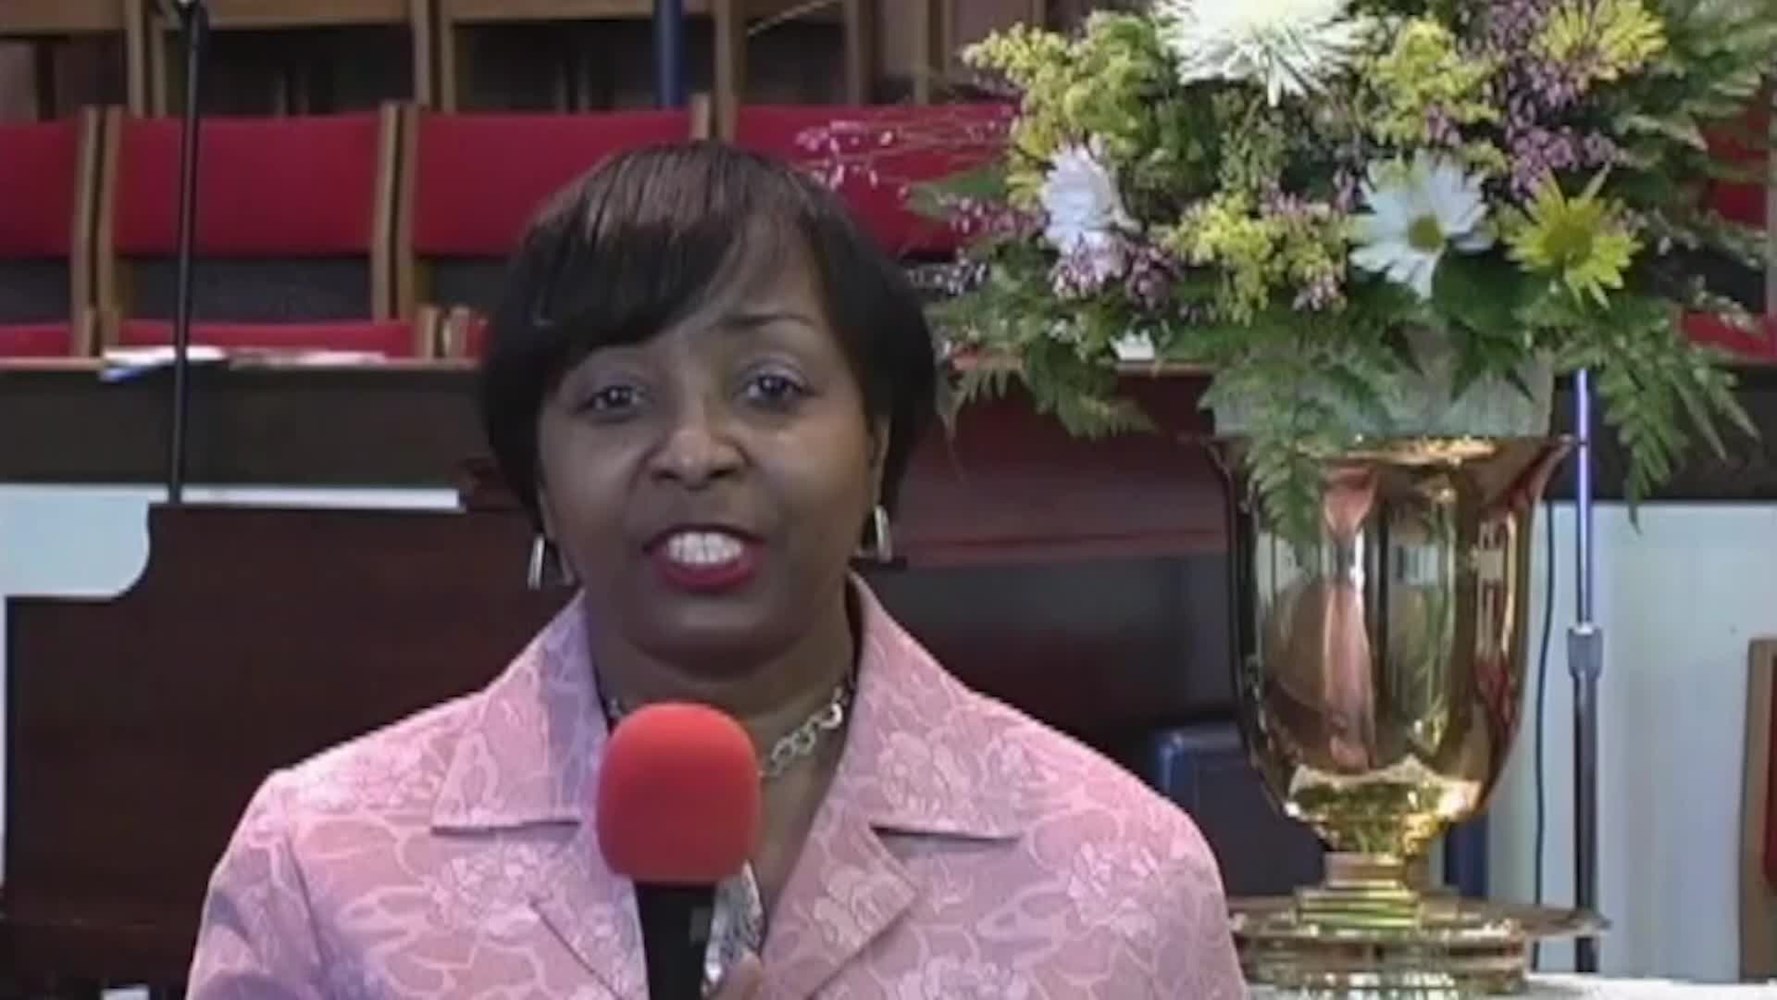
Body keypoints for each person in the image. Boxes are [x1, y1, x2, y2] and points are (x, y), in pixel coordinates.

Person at [186, 142, 1246, 999]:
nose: (694, 452)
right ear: (539, 480)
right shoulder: (322, 864)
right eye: (615, 400)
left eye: (771, 388)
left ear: (876, 440)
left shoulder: (1121, 873)